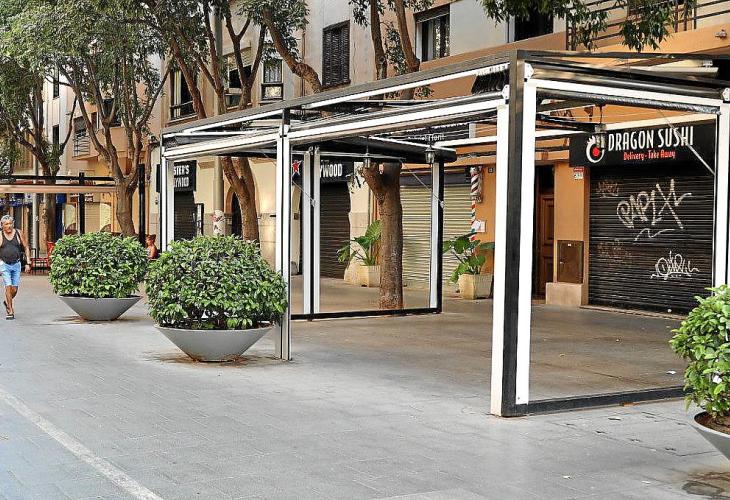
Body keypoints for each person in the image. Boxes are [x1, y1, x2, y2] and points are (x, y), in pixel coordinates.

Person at [0, 214, 31, 320]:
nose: (9, 226)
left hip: (16, 265)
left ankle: (7, 301)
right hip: (4, 265)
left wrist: (28, 262)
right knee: (8, 286)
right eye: (6, 224)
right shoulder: (0, 235)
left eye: (10, 223)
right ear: (2, 226)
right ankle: (10, 310)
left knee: (14, 290)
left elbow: (26, 247)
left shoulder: (18, 233)